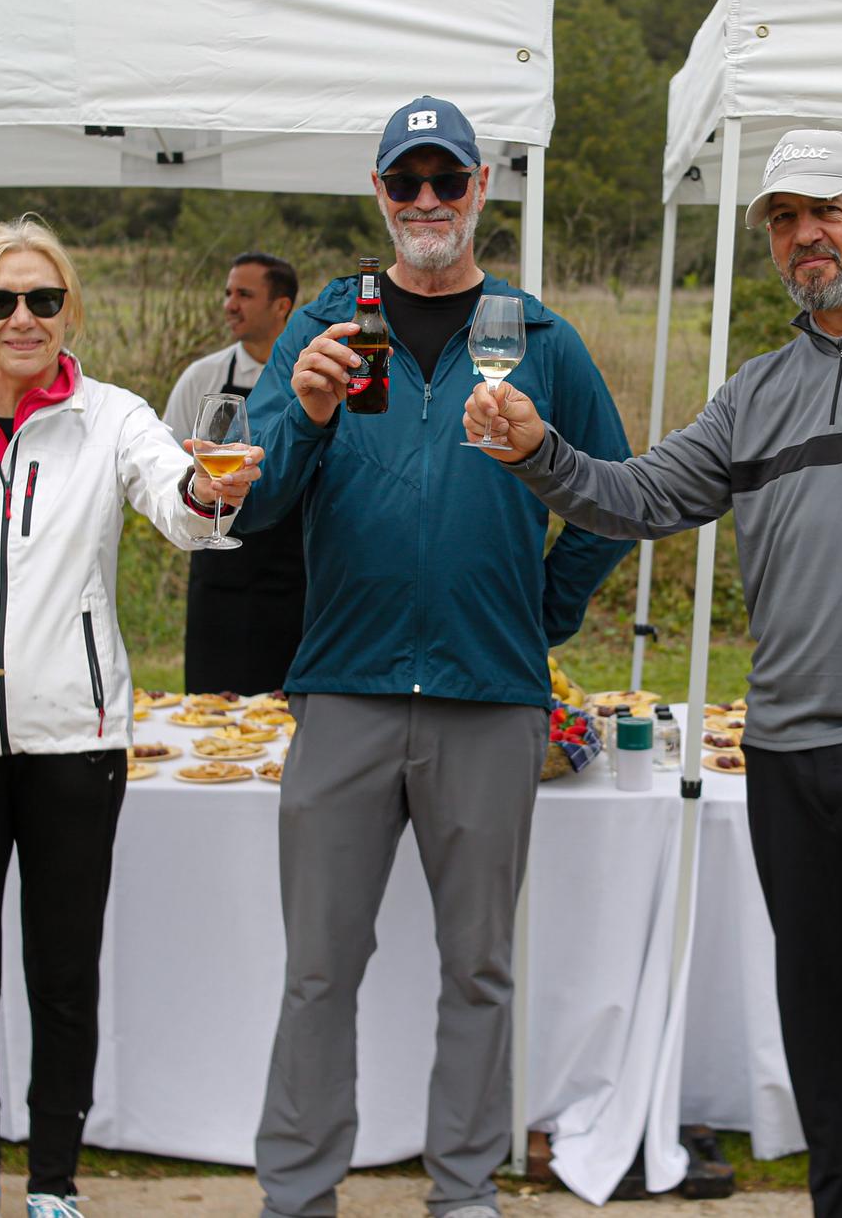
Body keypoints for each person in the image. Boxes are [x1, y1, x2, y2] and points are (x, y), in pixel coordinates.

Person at [464, 128, 842, 1218]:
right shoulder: (758, 387)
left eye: (822, 210)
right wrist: (536, 451)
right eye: (781, 220)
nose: (801, 235)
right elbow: (639, 495)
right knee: (823, 1048)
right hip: (787, 756)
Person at [237, 95, 633, 1218]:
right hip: (348, 689)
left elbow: (611, 494)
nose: (424, 202)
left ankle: (463, 1191)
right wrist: (304, 414)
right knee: (317, 970)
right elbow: (252, 503)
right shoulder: (324, 327)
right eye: (403, 182)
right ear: (377, 194)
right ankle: (298, 1193)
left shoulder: (537, 337)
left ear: (480, 192)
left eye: (444, 181)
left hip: (487, 694)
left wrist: (538, 610)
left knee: (478, 970)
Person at [0, 217, 263, 1218]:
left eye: (42, 300)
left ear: (67, 311)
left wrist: (210, 486)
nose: (21, 319)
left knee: (62, 975)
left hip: (72, 741)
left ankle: (51, 1183)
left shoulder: (111, 417)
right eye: (1, 300)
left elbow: (177, 506)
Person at [162, 252, 305, 694]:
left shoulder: (310, 375)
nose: (230, 304)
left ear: (282, 306)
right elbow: (169, 472)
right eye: (228, 293)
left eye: (244, 294)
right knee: (209, 713)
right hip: (219, 584)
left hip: (296, 581)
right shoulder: (201, 378)